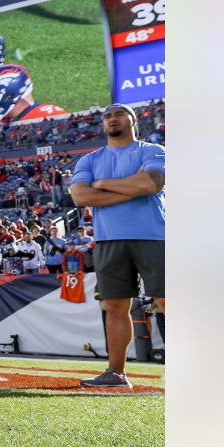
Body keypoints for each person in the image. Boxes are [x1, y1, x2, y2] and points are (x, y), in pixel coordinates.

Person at [70, 103, 165, 388]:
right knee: (113, 306)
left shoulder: (152, 150)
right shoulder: (89, 159)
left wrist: (103, 184)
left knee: (167, 301)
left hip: (153, 235)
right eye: (108, 116)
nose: (113, 118)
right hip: (108, 239)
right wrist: (130, 186)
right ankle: (116, 374)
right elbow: (79, 196)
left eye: (119, 114)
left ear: (133, 120)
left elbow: (152, 183)